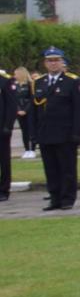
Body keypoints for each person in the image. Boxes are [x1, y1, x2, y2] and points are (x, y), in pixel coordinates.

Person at [29, 47, 80, 210]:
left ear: (62, 62)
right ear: (45, 63)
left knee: (67, 168)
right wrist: (33, 133)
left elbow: (79, 110)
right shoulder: (39, 82)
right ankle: (55, 198)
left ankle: (67, 199)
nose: (53, 63)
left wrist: (76, 133)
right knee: (50, 169)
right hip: (45, 133)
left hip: (65, 133)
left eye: (56, 60)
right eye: (50, 61)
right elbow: (34, 111)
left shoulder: (72, 81)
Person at [0, 72, 13, 202]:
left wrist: (8, 125)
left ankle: (4, 189)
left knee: (3, 160)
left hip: (1, 128)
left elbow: (11, 105)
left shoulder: (4, 81)